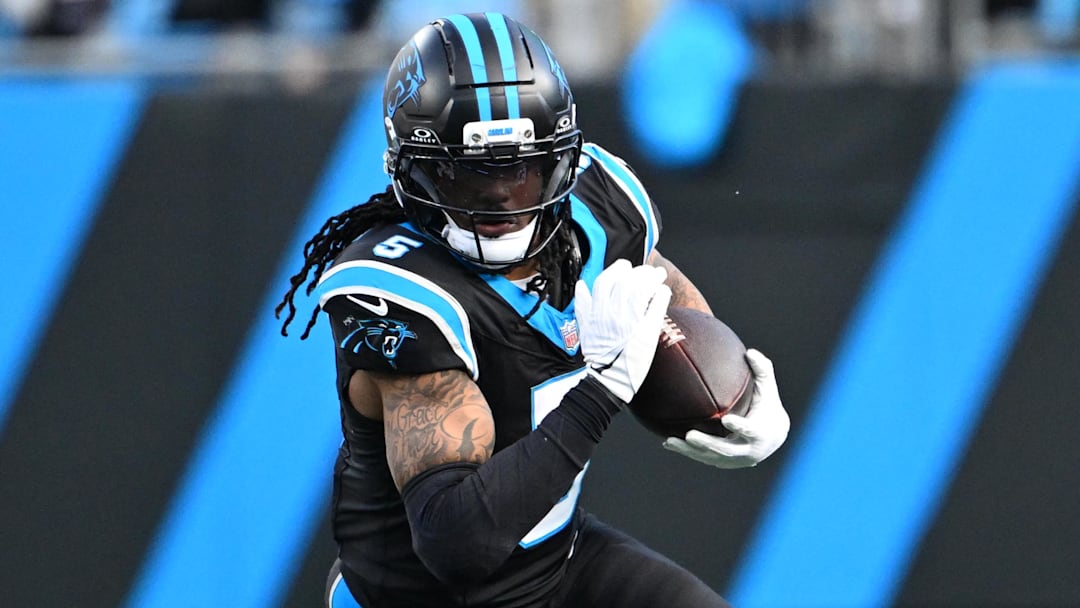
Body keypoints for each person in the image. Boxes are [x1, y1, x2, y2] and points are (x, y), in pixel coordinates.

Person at [277, 12, 790, 608]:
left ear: (561, 160)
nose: (499, 198)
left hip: (557, 566)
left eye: (520, 170)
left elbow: (661, 291)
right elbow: (455, 542)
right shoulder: (406, 295)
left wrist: (736, 396)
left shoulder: (598, 209)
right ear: (413, 171)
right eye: (467, 174)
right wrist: (601, 393)